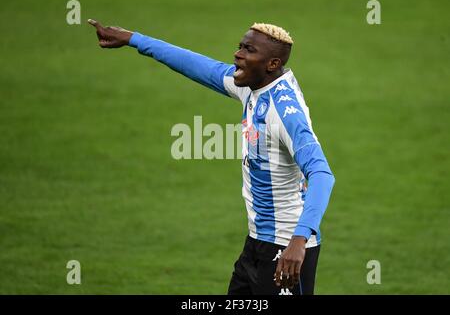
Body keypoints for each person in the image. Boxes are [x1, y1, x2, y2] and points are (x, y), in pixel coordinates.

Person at [88, 19, 335, 295]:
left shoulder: (285, 112)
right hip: (256, 243)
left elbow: (322, 174)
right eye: (240, 46)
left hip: (287, 250)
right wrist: (134, 39)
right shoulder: (252, 84)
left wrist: (299, 241)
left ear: (272, 64)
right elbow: (198, 66)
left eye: (249, 50)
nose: (237, 55)